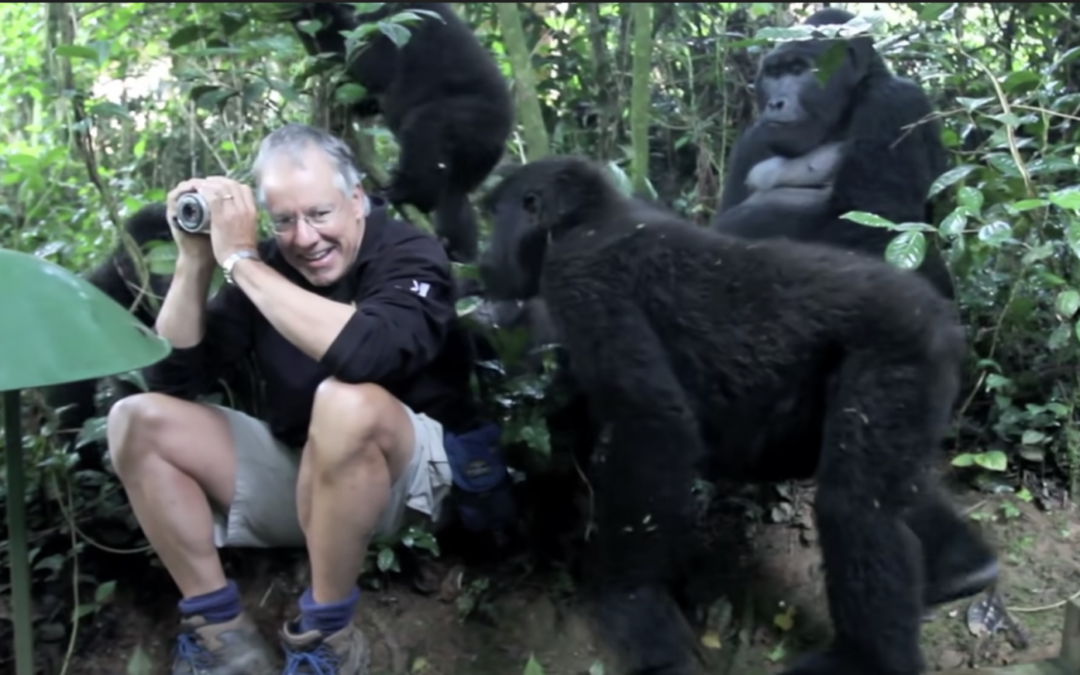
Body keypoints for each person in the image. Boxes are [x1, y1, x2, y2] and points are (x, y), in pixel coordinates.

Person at [106, 123, 504, 675]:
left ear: (357, 199)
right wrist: (197, 261)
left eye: (320, 214)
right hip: (308, 481)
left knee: (346, 401)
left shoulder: (409, 253)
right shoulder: (267, 267)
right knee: (135, 419)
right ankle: (223, 635)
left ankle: (326, 635)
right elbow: (173, 380)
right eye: (285, 221)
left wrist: (241, 262)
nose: (304, 238)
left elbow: (369, 357)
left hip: (408, 487)